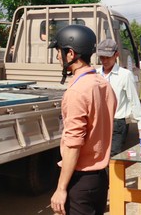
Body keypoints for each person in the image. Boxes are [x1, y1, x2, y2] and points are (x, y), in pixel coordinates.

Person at [48, 25, 117, 215]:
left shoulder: (77, 91)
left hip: (80, 180)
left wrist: (61, 189)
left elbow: (73, 144)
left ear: (70, 53)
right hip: (100, 179)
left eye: (58, 53)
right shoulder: (103, 84)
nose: (56, 58)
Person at [96, 39, 141, 157]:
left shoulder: (125, 75)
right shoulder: (95, 74)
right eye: (102, 57)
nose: (105, 61)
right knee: (98, 155)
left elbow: (133, 99)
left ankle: (112, 176)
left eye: (108, 57)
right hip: (99, 122)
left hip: (117, 123)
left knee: (113, 157)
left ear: (116, 55)